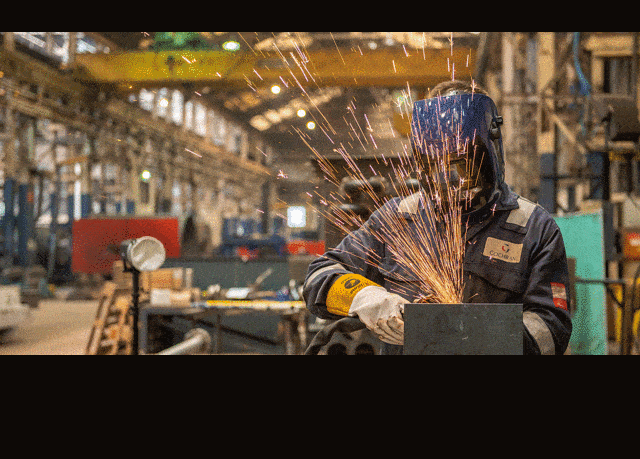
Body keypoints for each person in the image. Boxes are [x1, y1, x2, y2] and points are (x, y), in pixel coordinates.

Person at [303, 80, 573, 355]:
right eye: (436, 168)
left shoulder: (532, 227)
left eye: (463, 166)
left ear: (488, 153)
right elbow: (318, 278)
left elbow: (551, 329)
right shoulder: (398, 220)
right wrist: (365, 297)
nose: (452, 181)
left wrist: (462, 334)